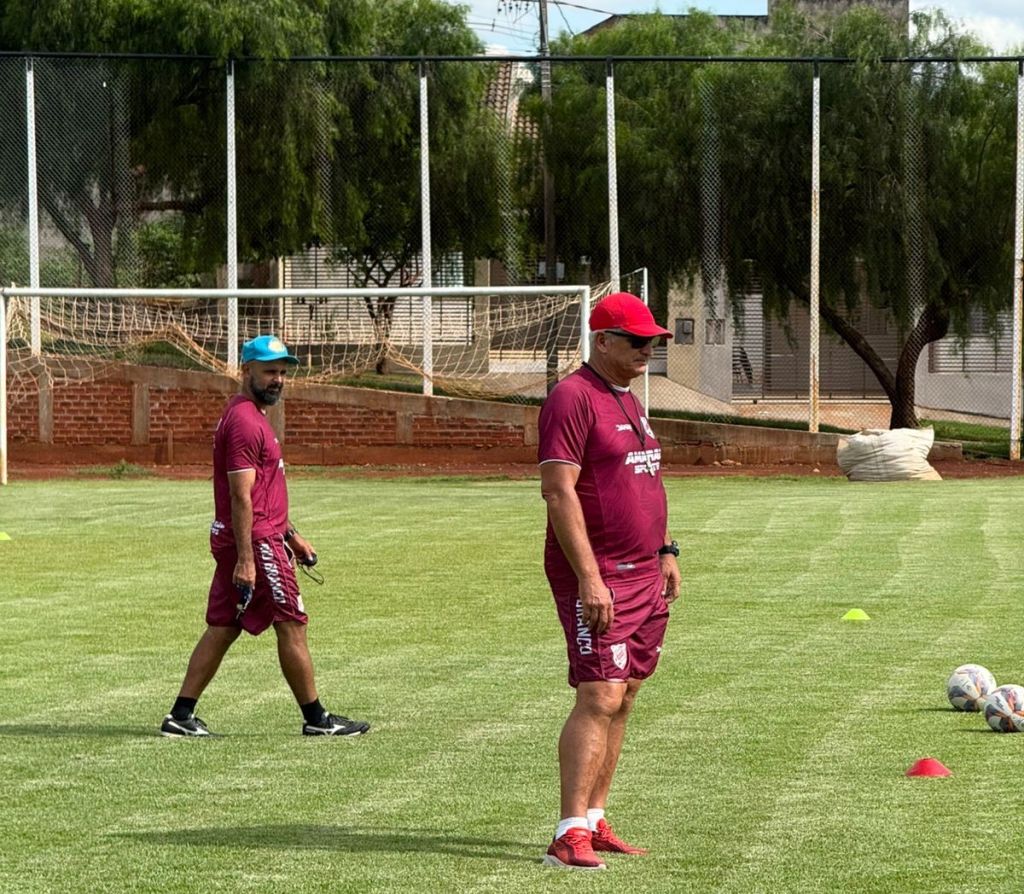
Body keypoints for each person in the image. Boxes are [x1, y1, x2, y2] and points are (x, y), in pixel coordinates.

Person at [160, 334, 369, 738]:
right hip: (255, 542)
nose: (277, 380)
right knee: (291, 622)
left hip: (262, 537)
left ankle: (180, 715)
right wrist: (247, 559)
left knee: (223, 625)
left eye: (282, 372)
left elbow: (262, 492)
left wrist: (291, 534)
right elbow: (241, 496)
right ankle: (317, 719)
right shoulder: (243, 421)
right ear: (246, 370)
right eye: (269, 371)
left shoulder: (251, 415)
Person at [538, 292, 681, 870]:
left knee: (626, 694)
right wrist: (590, 579)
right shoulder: (572, 398)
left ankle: (595, 819)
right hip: (600, 577)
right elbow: (557, 490)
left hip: (646, 570)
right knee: (599, 693)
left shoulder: (628, 398)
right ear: (603, 341)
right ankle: (567, 831)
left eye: (654, 342)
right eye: (638, 341)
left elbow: (644, 481)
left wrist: (667, 550)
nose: (648, 350)